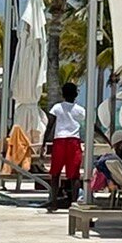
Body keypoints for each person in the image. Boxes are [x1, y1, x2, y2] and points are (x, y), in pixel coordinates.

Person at [43, 81, 86, 212]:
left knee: (55, 173)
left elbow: (50, 125)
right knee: (74, 175)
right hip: (73, 142)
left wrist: (44, 142)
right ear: (76, 94)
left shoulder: (57, 107)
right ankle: (73, 203)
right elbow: (92, 125)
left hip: (59, 141)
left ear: (62, 94)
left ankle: (54, 203)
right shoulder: (80, 110)